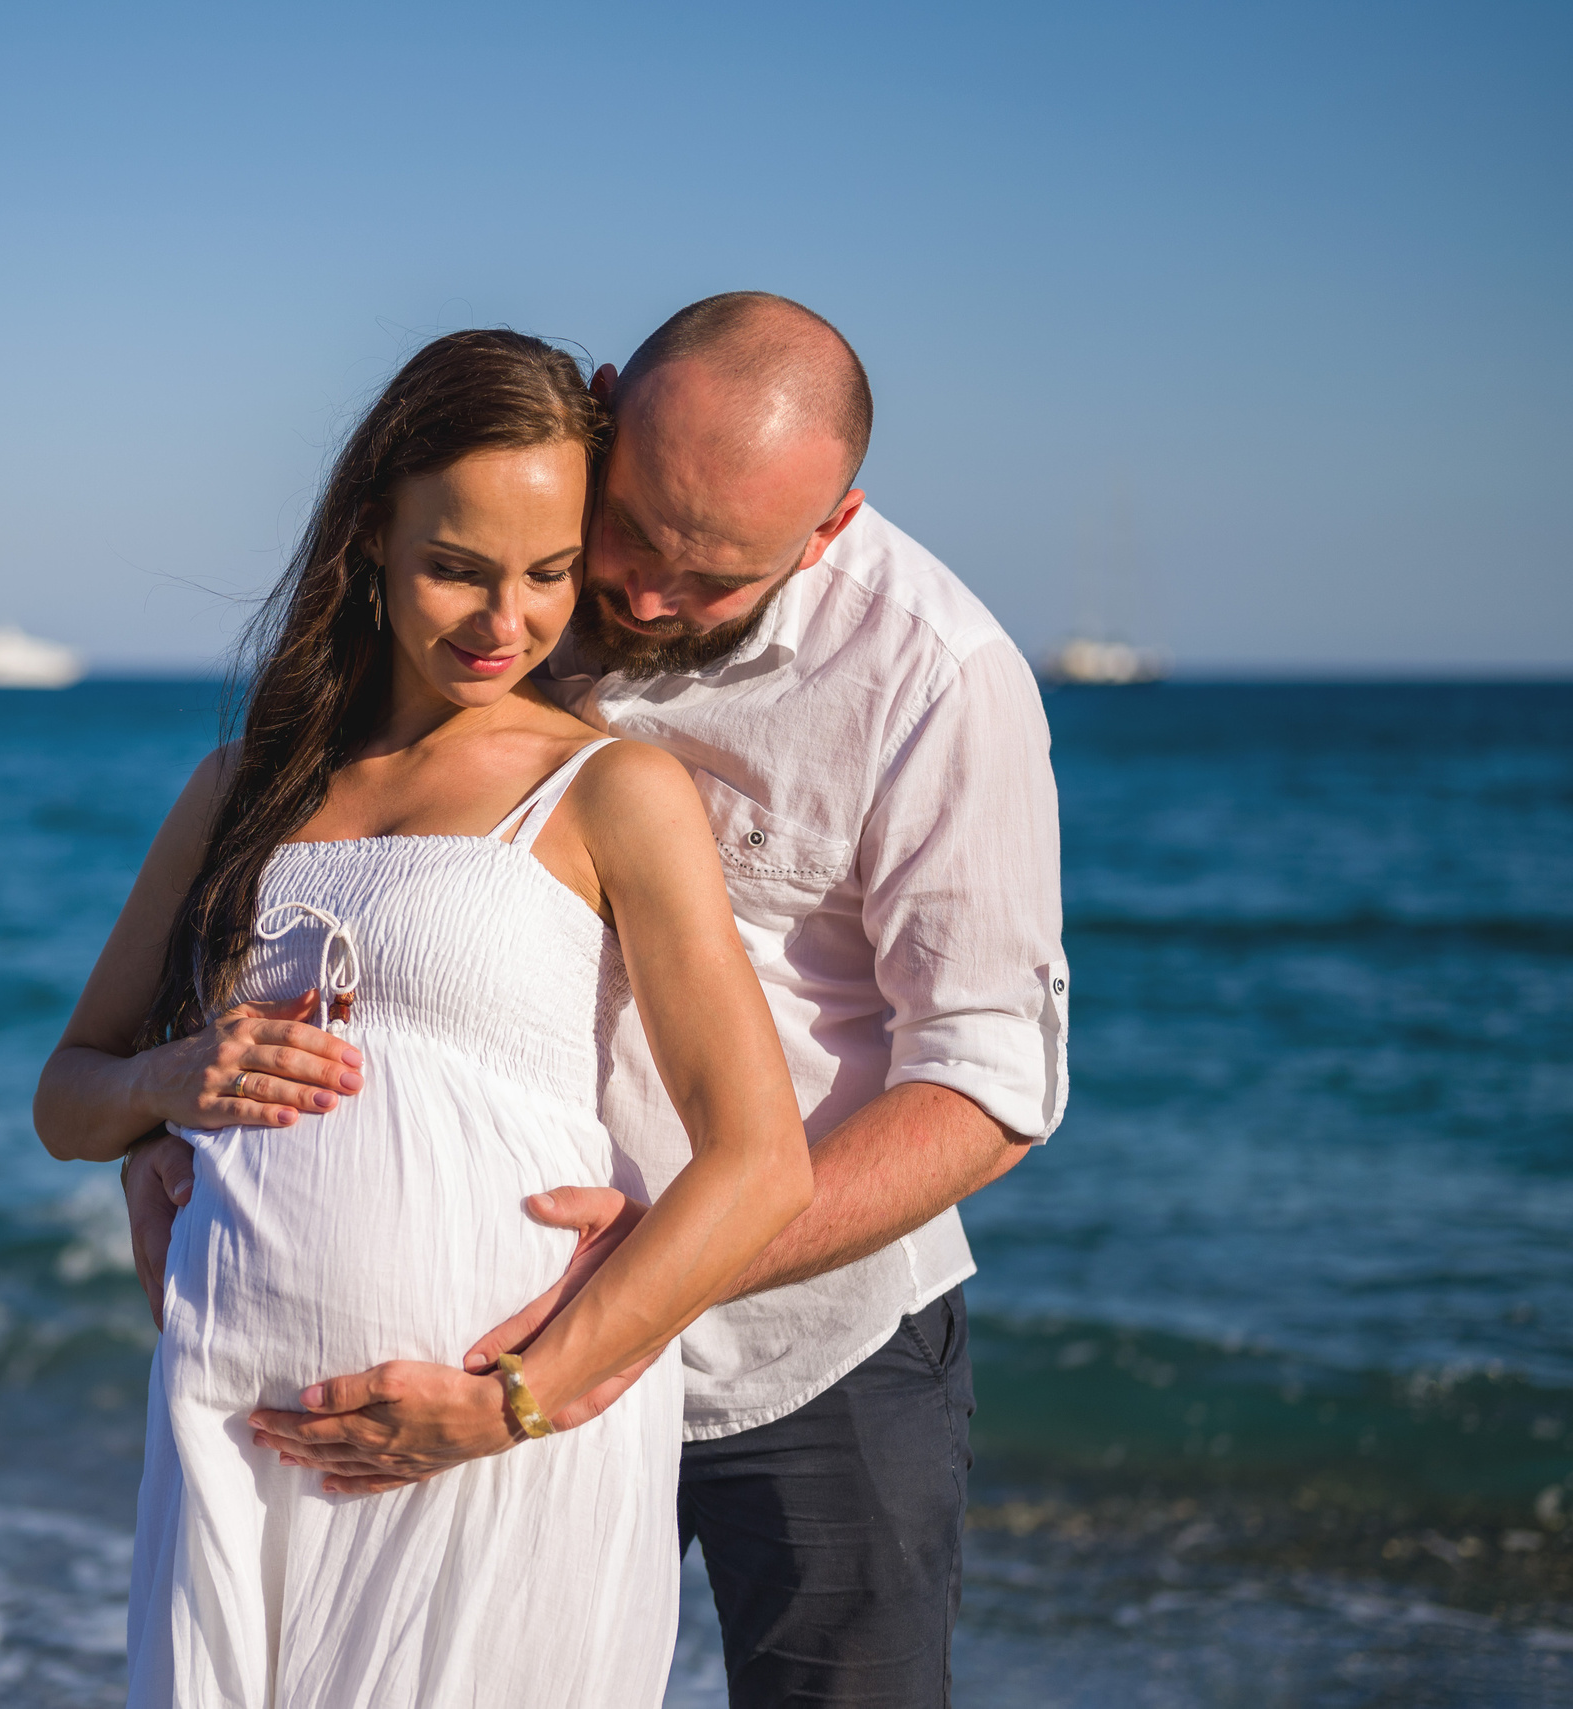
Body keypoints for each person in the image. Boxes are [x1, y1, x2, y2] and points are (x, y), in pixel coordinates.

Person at [128, 294, 1070, 1707]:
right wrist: (169, 1128)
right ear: (611, 411)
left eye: (714, 579)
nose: (640, 601)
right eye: (628, 542)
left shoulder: (937, 676)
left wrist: (634, 1288)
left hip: (807, 1361)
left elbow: (992, 1086)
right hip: (447, 1376)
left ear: (827, 528)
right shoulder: (520, 567)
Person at [34, 329, 815, 1708]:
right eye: (457, 564)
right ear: (373, 540)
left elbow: (759, 1160)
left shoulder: (613, 793)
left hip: (491, 1447)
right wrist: (174, 1074)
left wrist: (509, 1399)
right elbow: (69, 1097)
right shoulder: (243, 788)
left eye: (550, 573)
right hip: (238, 1426)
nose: (502, 620)